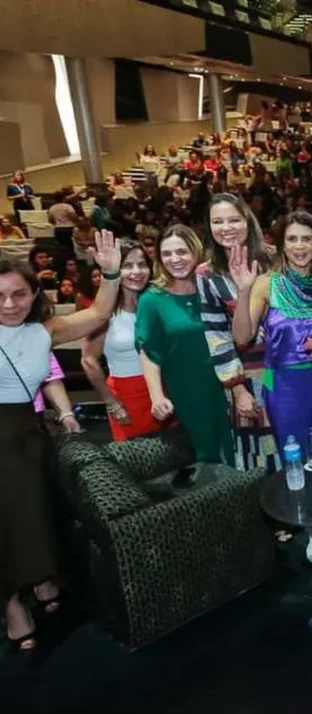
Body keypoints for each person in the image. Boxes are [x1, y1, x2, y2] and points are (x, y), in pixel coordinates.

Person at [1, 229, 120, 650]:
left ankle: (39, 581)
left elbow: (101, 312)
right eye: (0, 296)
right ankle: (12, 603)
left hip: (28, 434)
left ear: (34, 294)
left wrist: (109, 272)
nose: (9, 304)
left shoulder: (43, 332)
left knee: (32, 515)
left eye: (18, 294)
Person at [232, 211, 312, 456]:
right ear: (282, 245)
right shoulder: (267, 283)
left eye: (307, 239)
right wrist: (244, 293)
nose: (300, 246)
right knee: (295, 461)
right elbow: (242, 337)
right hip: (282, 384)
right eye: (292, 239)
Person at [136, 226, 234, 464]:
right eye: (167, 254)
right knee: (206, 462)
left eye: (182, 251)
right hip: (189, 392)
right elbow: (149, 351)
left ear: (196, 252)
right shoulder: (152, 299)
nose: (175, 259)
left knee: (240, 454)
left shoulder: (215, 286)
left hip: (231, 385)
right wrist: (156, 396)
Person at [199, 193, 275, 469]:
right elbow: (216, 336)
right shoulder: (206, 275)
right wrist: (238, 388)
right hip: (245, 378)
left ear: (247, 222)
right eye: (217, 221)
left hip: (284, 371)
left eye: (234, 220)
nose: (226, 227)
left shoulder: (273, 260)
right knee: (259, 458)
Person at [80, 240, 162, 441]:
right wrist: (112, 403)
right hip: (126, 395)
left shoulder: (157, 303)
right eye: (127, 265)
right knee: (136, 461)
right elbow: (88, 360)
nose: (137, 271)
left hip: (163, 389)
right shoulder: (102, 313)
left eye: (142, 264)